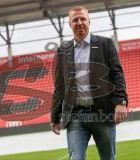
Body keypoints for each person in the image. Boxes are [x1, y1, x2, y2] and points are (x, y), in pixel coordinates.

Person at [51, 6, 128, 160]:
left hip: (102, 113)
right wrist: (54, 116)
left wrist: (121, 101)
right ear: (70, 24)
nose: (79, 22)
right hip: (75, 116)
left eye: (83, 19)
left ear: (89, 21)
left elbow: (117, 74)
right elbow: (59, 85)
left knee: (108, 157)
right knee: (76, 157)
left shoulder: (105, 44)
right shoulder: (63, 50)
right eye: (75, 20)